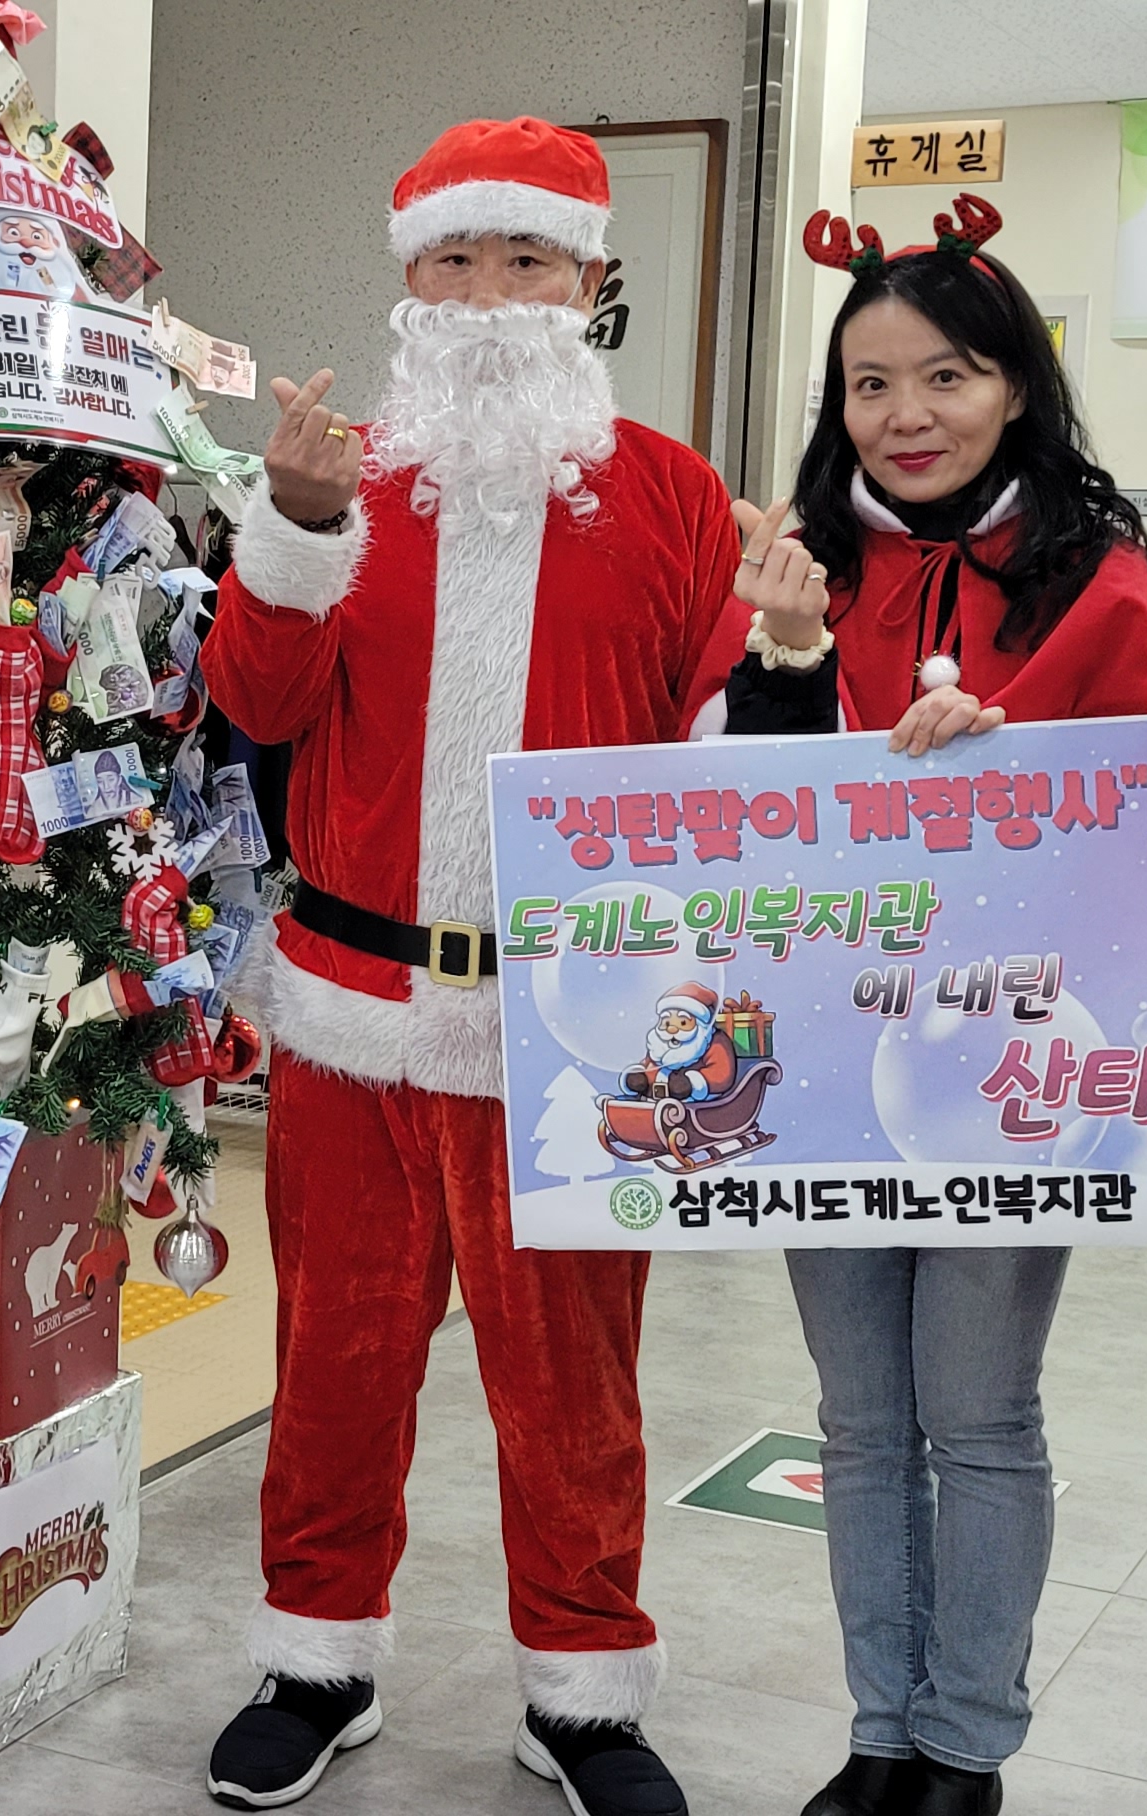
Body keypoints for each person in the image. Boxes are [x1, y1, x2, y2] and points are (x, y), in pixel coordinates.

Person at [196, 117, 753, 1816]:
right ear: (408, 282)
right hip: (351, 1010)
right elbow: (256, 712)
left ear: (588, 284)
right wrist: (285, 533)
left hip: (575, 1027)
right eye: (457, 260)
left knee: (571, 1377)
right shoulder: (333, 476)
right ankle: (317, 1655)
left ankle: (580, 1693)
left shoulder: (671, 497)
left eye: (527, 261)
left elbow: (716, 754)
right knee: (343, 1355)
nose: (492, 293)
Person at [724, 203, 1147, 1816]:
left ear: (1016, 389)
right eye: (867, 384)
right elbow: (742, 838)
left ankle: (966, 1746)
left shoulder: (1108, 583)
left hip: (1015, 1061)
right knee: (859, 1421)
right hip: (829, 1056)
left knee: (976, 1414)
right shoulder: (807, 566)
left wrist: (1016, 773)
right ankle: (876, 1732)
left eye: (945, 376)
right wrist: (783, 659)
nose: (904, 414)